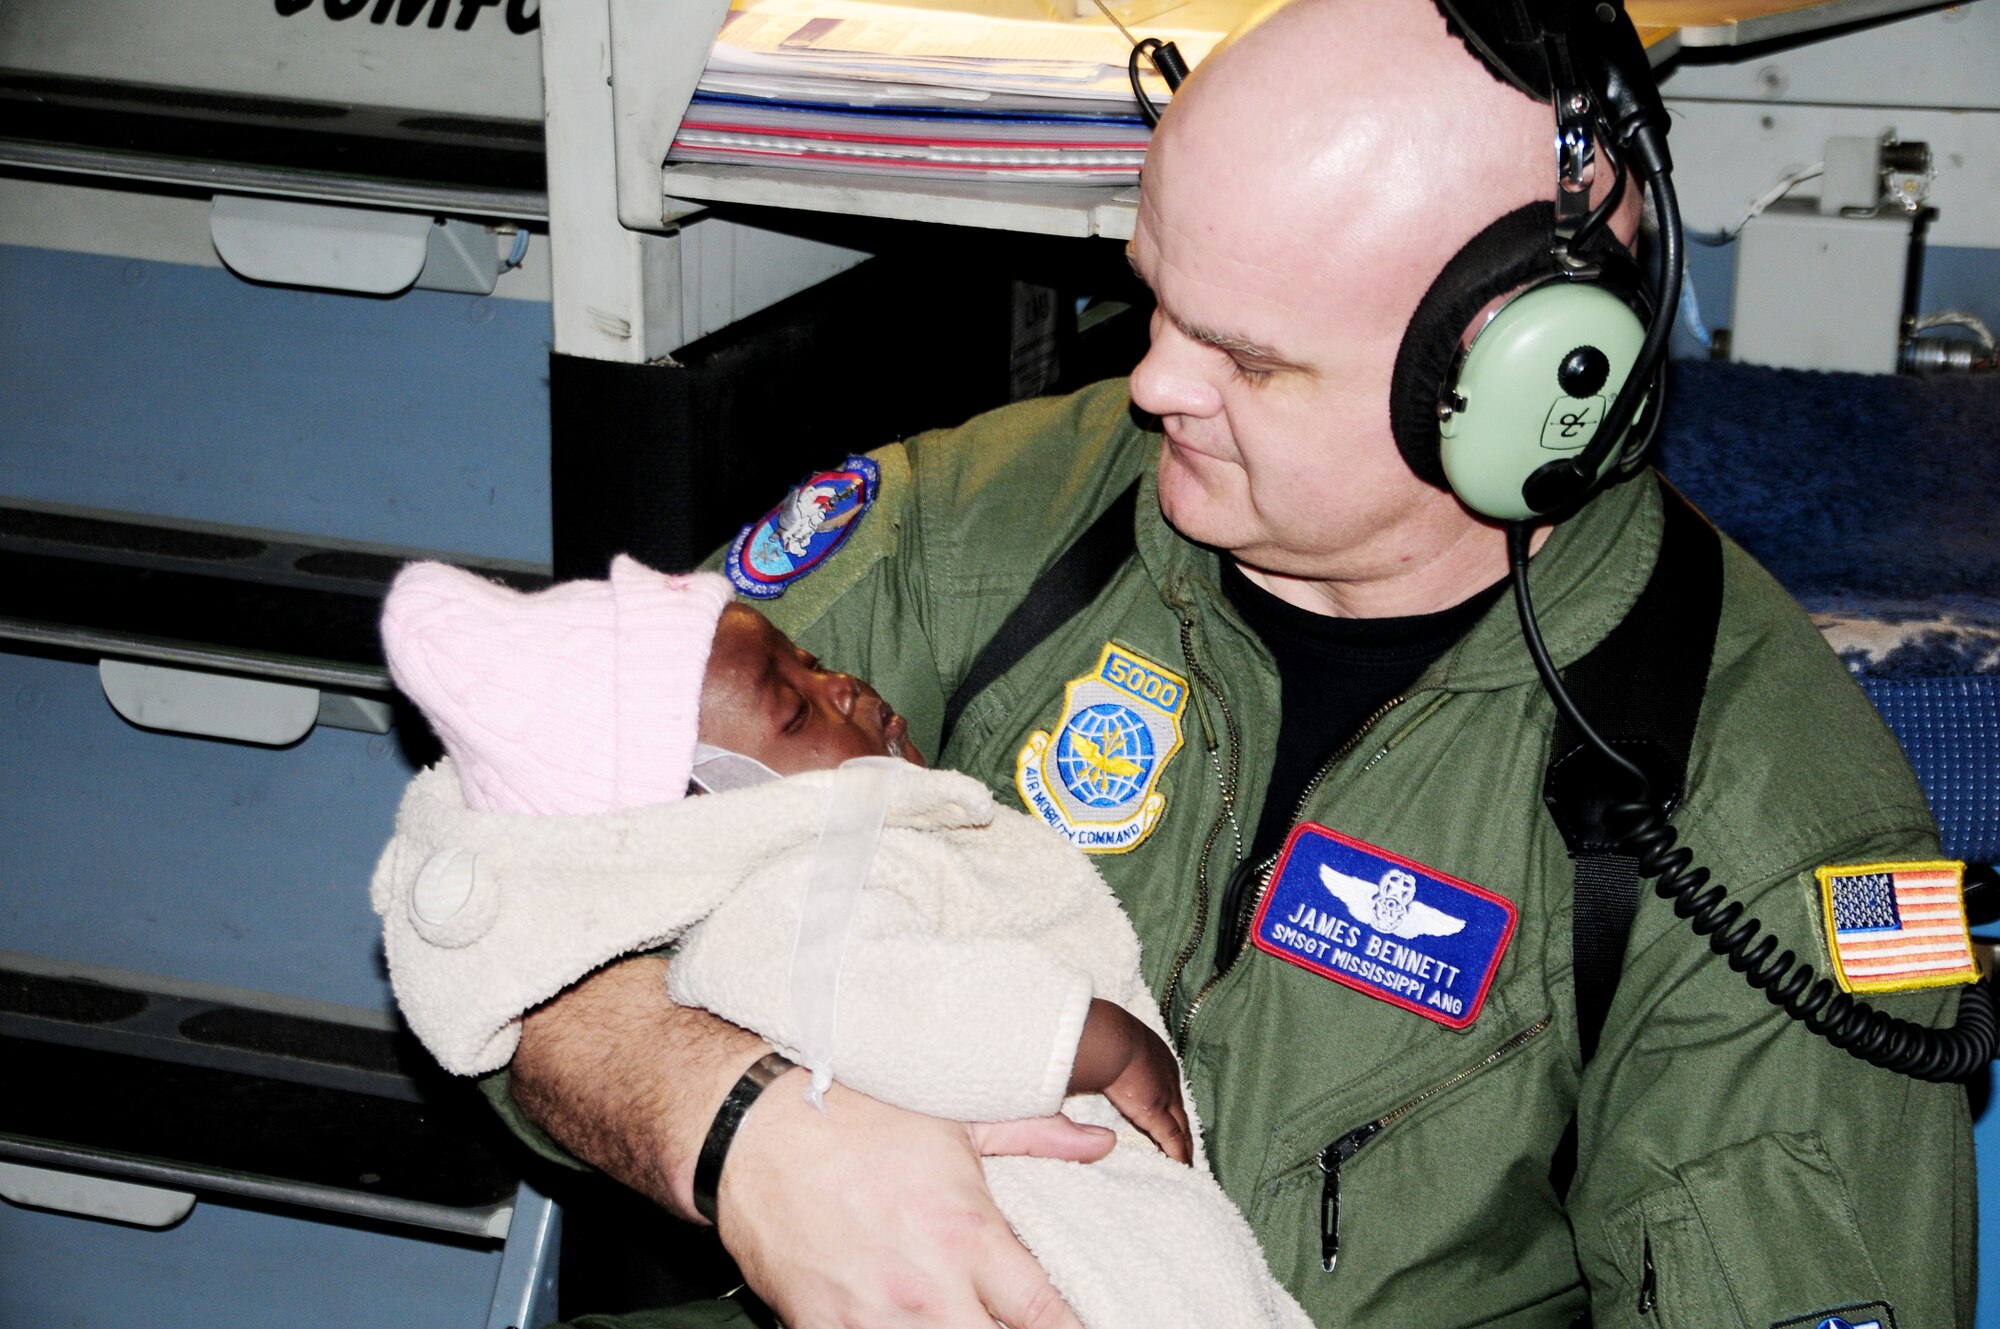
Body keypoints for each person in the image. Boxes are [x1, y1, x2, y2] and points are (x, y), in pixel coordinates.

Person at [488, 2, 1977, 1326]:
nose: (1150, 381)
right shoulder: (993, 524)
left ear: (1530, 383)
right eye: (1153, 296)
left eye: (1250, 358)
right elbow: (498, 873)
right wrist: (736, 1125)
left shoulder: (1765, 832)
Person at [372, 557, 1313, 1329]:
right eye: (795, 708)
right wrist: (1087, 1035)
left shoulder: (856, 838)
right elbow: (839, 984)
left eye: (813, 660)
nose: (844, 683)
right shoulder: (801, 874)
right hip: (1022, 1243)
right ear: (703, 805)